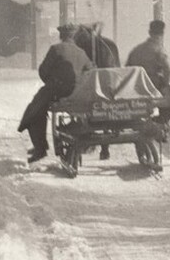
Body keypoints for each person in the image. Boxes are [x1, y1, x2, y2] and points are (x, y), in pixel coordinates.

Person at [18, 23, 93, 163]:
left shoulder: (56, 49)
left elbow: (43, 71)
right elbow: (90, 72)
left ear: (61, 36)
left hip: (56, 91)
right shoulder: (81, 52)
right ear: (74, 36)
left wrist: (51, 82)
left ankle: (40, 149)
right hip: (76, 93)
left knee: (34, 111)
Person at [126, 20, 170, 132]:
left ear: (149, 33)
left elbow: (127, 69)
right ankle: (160, 121)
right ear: (162, 35)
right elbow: (168, 71)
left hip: (137, 88)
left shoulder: (136, 50)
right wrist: (163, 83)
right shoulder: (158, 49)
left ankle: (160, 122)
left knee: (165, 94)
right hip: (154, 86)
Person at [74, 22, 121, 160]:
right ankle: (105, 148)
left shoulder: (81, 46)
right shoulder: (109, 45)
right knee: (106, 108)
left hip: (90, 88)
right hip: (109, 87)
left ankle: (86, 138)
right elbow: (117, 68)